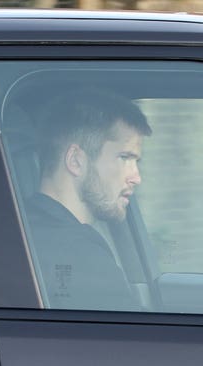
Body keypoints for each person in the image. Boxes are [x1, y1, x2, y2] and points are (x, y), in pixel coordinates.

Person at [24, 89, 152, 311]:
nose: (136, 178)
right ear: (76, 161)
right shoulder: (82, 257)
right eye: (124, 158)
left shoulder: (21, 228)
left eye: (136, 161)